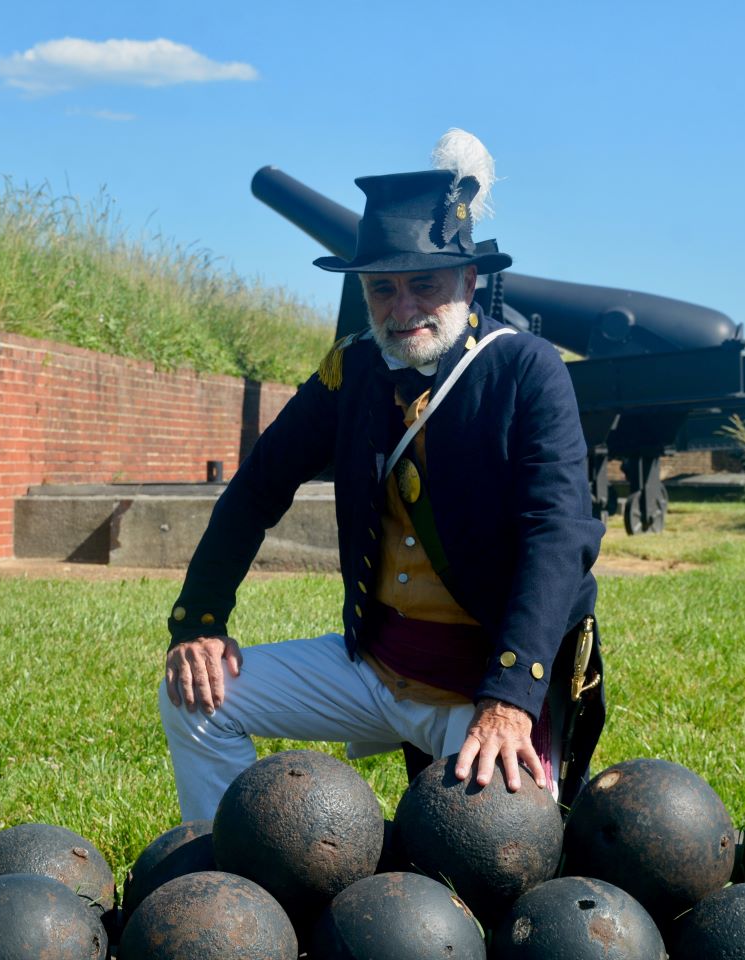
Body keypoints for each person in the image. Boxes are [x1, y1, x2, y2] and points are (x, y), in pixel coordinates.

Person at [159, 130, 605, 821]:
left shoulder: (526, 370)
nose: (402, 308)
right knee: (194, 695)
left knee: (503, 856)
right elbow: (257, 490)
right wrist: (200, 621)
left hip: (482, 690)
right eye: (382, 288)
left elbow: (559, 533)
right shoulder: (354, 370)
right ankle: (226, 877)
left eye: (422, 283)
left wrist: (512, 699)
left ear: (467, 280)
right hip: (375, 668)